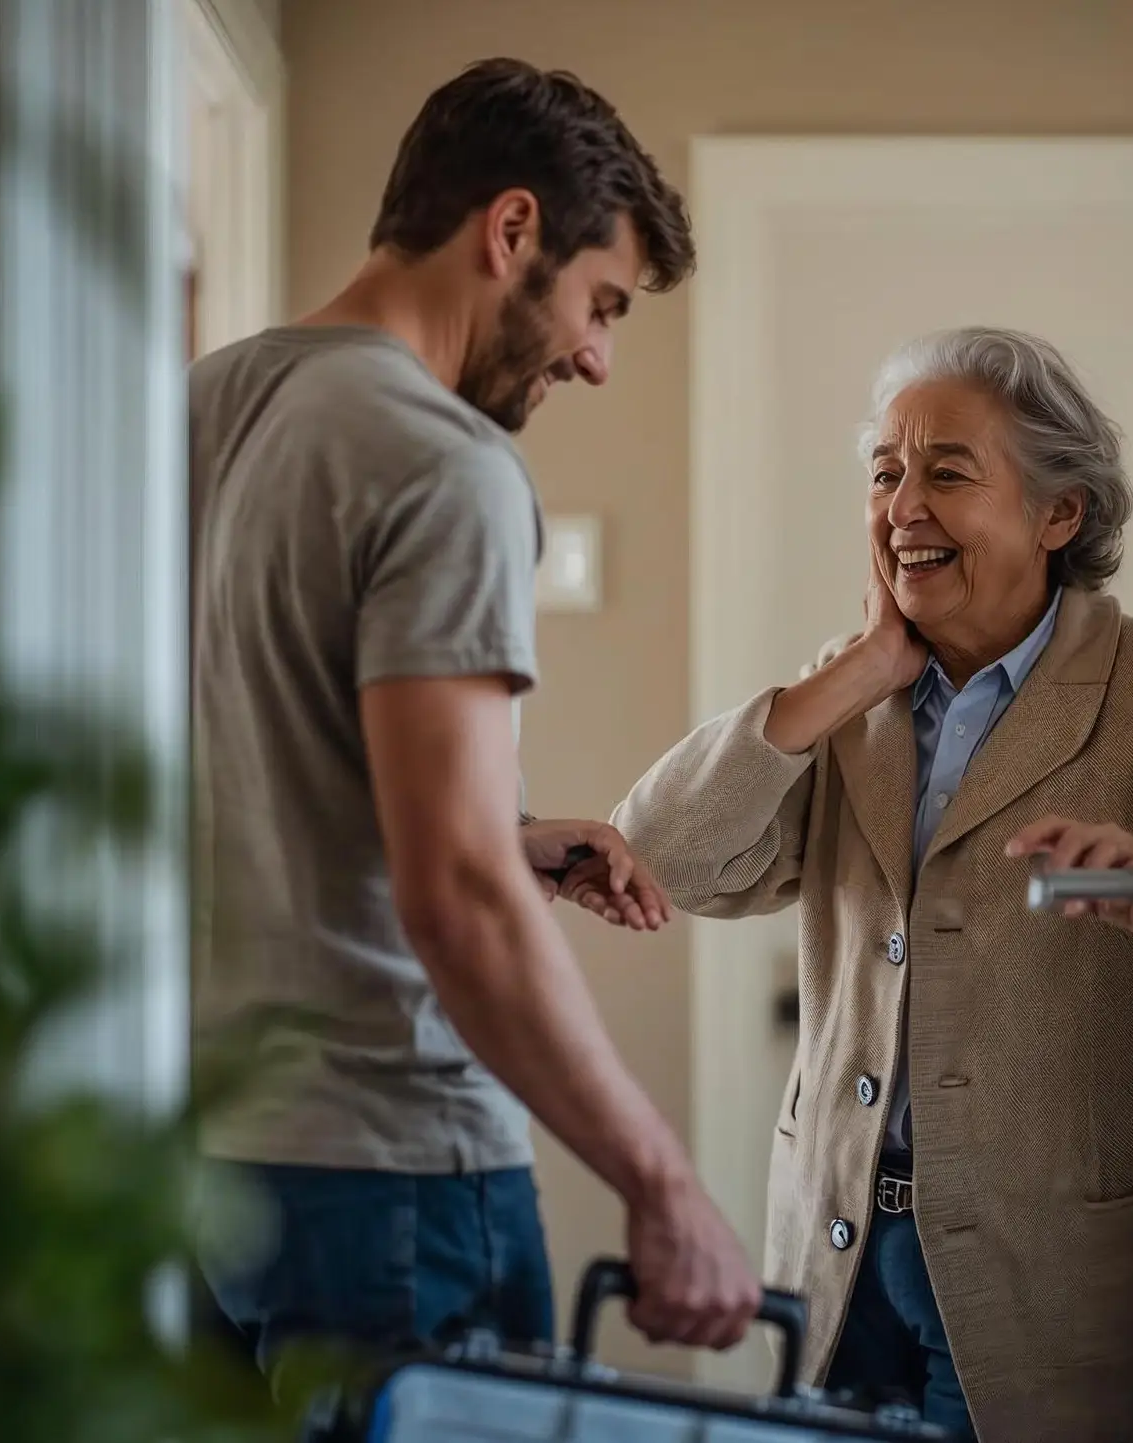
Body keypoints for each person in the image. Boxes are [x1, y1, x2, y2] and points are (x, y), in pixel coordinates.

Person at [188, 58, 760, 1378]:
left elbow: (261, 751)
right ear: (511, 233)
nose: (600, 359)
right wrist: (662, 1178)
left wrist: (508, 832)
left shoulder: (198, 410)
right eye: (600, 302)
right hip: (389, 1177)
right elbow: (454, 895)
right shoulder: (444, 465)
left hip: (204, 1164)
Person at [606, 327, 1133, 1441]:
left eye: (948, 473)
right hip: (836, 1254)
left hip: (1044, 1275)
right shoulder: (850, 700)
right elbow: (655, 853)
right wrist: (855, 671)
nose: (904, 505)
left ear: (1060, 516)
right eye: (884, 474)